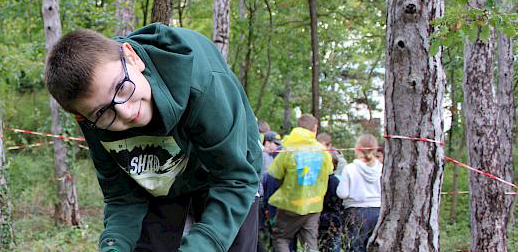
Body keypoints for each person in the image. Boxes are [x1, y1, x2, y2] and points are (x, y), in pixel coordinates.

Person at [44, 24, 261, 252]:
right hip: (163, 179)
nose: (126, 112)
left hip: (231, 174)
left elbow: (235, 178)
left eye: (122, 88)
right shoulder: (93, 119)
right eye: (104, 112)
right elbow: (122, 197)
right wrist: (113, 246)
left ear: (132, 57)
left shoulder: (204, 84)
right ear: (82, 117)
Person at [267, 114, 333, 252]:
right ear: (315, 128)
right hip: (314, 205)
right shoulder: (323, 151)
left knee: (281, 238)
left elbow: (274, 174)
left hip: (290, 205)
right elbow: (329, 173)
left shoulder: (288, 148)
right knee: (310, 245)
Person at [336, 134, 382, 252]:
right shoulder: (382, 168)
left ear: (357, 148)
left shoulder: (350, 168)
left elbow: (342, 193)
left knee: (354, 247)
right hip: (378, 212)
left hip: (355, 213)